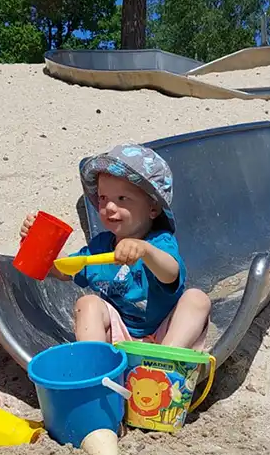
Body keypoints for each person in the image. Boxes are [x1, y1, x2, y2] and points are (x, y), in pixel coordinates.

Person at [20, 143, 211, 349]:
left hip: (166, 332)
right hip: (121, 335)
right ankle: (96, 358)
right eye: (103, 198)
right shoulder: (100, 247)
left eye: (122, 198)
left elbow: (170, 274)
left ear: (153, 208)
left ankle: (166, 359)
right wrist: (38, 242)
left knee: (197, 299)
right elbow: (64, 270)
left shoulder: (159, 242)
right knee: (87, 304)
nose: (109, 207)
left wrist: (145, 251)